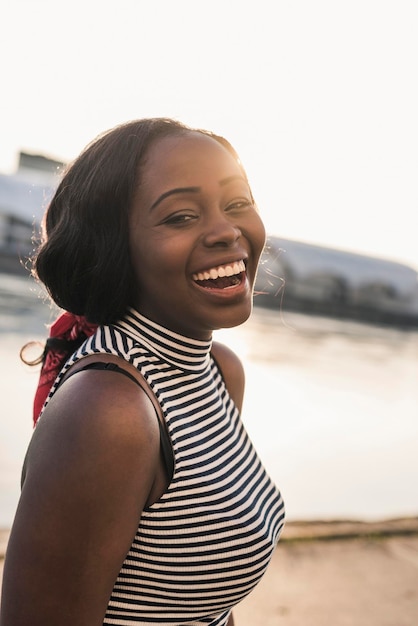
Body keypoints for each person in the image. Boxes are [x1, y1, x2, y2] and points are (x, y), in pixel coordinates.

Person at [0, 118, 285, 626]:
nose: (226, 231)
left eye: (237, 203)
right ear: (114, 247)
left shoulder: (219, 372)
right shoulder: (111, 410)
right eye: (180, 216)